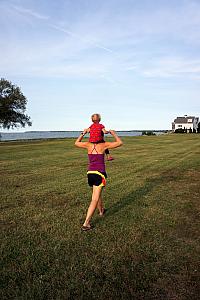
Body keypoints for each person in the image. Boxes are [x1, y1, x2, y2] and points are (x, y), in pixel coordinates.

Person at [75, 129, 123, 231]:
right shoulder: (104, 145)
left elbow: (76, 143)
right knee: (94, 199)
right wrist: (113, 133)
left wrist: (83, 133)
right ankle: (86, 223)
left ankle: (101, 211)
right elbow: (119, 143)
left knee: (97, 194)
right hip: (99, 174)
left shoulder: (88, 145)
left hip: (90, 173)